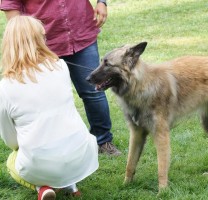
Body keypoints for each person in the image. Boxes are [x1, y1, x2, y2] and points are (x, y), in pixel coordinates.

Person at [0, 0, 121, 156]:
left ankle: (103, 141)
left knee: (93, 92)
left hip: (81, 33)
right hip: (43, 44)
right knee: (45, 99)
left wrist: (102, 2)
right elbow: (12, 11)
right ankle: (50, 147)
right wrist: (27, 41)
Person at [0, 16, 99, 200]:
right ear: (39, 40)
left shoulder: (6, 86)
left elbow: (10, 138)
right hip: (82, 151)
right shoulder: (60, 67)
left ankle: (42, 188)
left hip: (41, 161)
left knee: (12, 160)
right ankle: (72, 186)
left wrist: (19, 146)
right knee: (56, 138)